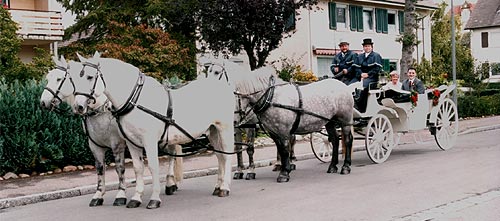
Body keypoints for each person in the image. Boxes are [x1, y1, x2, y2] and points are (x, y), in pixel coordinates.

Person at [352, 38, 383, 112]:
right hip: (360, 76)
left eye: (369, 46)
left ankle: (360, 107)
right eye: (365, 46)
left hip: (372, 78)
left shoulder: (376, 56)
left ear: (371, 47)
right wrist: (361, 74)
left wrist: (368, 74)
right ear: (363, 47)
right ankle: (351, 102)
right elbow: (356, 68)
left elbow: (377, 69)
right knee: (351, 85)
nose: (367, 48)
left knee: (363, 86)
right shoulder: (359, 56)